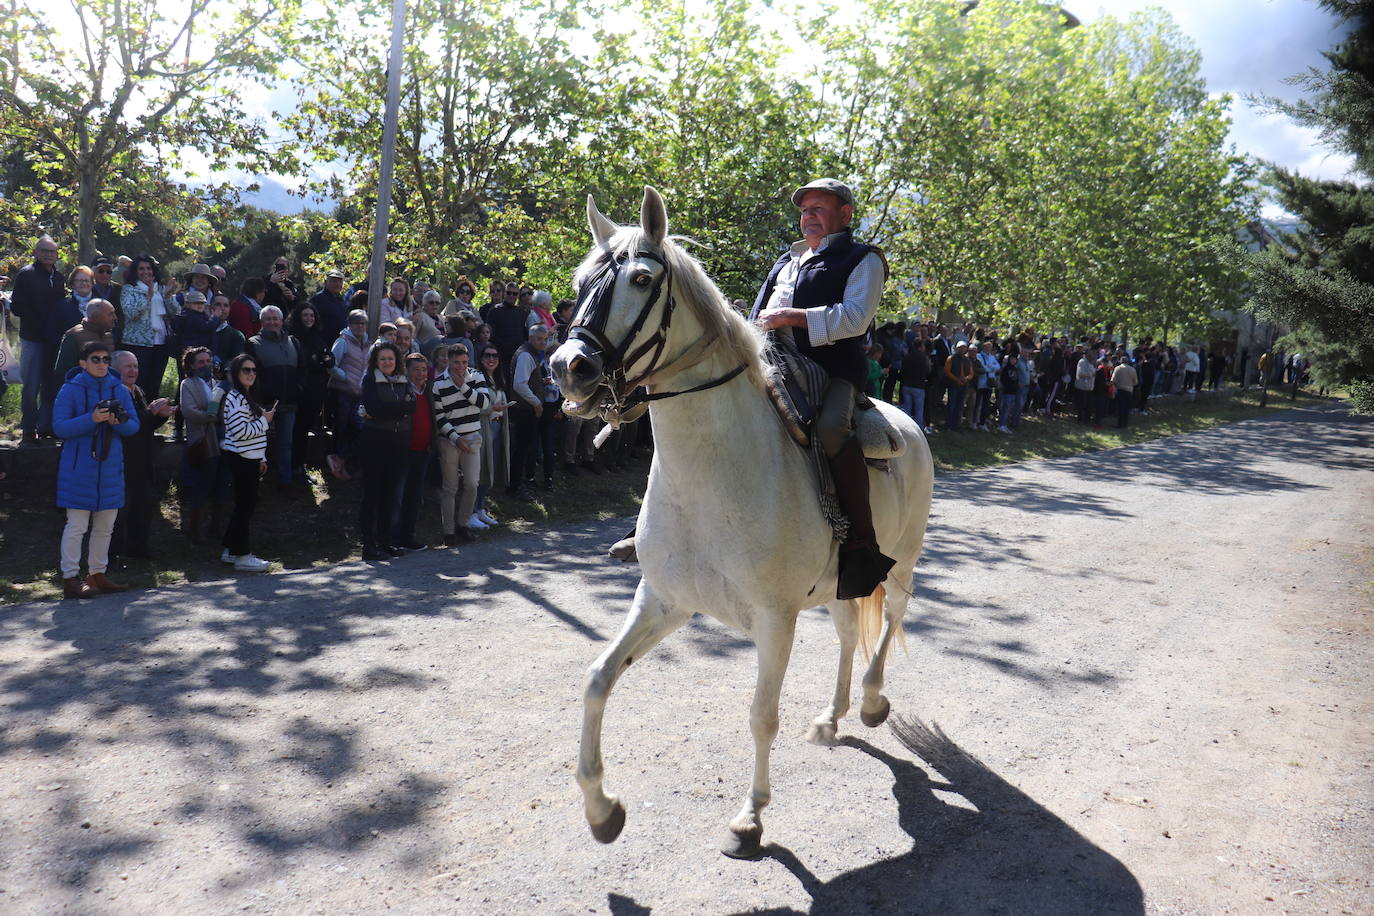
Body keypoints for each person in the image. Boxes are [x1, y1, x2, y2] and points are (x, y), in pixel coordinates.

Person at [751, 178, 894, 598]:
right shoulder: (787, 260)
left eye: (818, 208)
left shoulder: (862, 259)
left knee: (832, 428)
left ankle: (861, 545)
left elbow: (854, 319)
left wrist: (790, 318)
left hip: (832, 371)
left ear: (845, 215)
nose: (808, 215)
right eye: (804, 209)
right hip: (772, 362)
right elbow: (760, 314)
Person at [52, 341, 138, 597]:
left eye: (105, 360)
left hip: (110, 469)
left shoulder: (119, 389)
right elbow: (60, 428)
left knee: (105, 527)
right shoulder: (70, 389)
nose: (102, 364)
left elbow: (133, 426)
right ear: (83, 363)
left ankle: (97, 574)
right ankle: (70, 579)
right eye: (95, 359)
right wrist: (91, 419)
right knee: (76, 526)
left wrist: (117, 421)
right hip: (79, 469)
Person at [109, 350, 173, 559]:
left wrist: (160, 417)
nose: (133, 370)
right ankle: (116, 554)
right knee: (121, 510)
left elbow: (145, 426)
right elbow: (129, 427)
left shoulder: (138, 391)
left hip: (143, 459)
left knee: (143, 506)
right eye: (128, 366)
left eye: (135, 366)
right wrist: (150, 412)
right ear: (116, 369)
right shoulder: (115, 393)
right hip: (124, 459)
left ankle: (138, 550)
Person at [357, 341, 415, 560]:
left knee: (390, 495)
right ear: (376, 361)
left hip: (399, 443)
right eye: (383, 359)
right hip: (374, 442)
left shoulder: (403, 380)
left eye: (390, 358)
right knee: (372, 495)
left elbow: (413, 407)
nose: (387, 362)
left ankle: (385, 541)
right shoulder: (370, 379)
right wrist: (399, 409)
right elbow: (373, 408)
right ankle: (368, 546)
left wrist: (389, 410)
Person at [219, 353, 275, 572]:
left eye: (253, 370)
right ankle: (242, 555)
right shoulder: (235, 398)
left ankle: (231, 550)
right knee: (245, 507)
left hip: (250, 458)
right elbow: (241, 432)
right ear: (236, 373)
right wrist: (265, 421)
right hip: (241, 459)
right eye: (246, 370)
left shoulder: (246, 396)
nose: (251, 374)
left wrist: (261, 457)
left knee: (245, 506)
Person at [431, 342, 491, 544]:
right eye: (456, 362)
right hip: (450, 440)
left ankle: (462, 525)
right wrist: (456, 439)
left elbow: (484, 403)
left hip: (473, 437)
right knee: (450, 488)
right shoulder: (438, 384)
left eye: (464, 362)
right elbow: (440, 418)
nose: (460, 367)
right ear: (448, 361)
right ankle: (448, 532)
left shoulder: (477, 376)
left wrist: (463, 386)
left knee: (472, 484)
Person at [12, 235, 66, 440]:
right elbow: (16, 307)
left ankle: (45, 425)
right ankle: (28, 427)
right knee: (31, 385)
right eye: (44, 250)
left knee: (50, 385)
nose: (48, 254)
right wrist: (39, 318)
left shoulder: (58, 277)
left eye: (52, 251)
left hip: (53, 340)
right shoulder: (26, 275)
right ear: (35, 252)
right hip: (33, 338)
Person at [247, 305, 300, 491]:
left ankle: (285, 481)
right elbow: (250, 376)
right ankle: (254, 483)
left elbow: (300, 370)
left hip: (289, 402)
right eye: (268, 319)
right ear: (262, 322)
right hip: (264, 404)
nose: (272, 322)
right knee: (258, 443)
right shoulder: (253, 343)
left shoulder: (293, 342)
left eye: (275, 318)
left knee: (286, 444)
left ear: (281, 320)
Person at [178, 346, 226, 543]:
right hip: (202, 440)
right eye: (201, 362)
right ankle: (195, 529)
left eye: (208, 361)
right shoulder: (188, 384)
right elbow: (188, 411)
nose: (206, 365)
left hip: (222, 441)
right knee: (202, 484)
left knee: (222, 485)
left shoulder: (218, 383)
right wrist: (210, 417)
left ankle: (216, 526)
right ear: (191, 365)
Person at [507, 324, 558, 499]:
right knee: (521, 450)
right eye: (539, 339)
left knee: (524, 449)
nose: (543, 343)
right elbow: (519, 384)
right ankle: (515, 486)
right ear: (531, 338)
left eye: (545, 339)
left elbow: (526, 381)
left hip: (525, 409)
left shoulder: (529, 353)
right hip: (524, 410)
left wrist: (540, 382)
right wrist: (537, 403)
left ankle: (518, 484)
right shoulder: (526, 355)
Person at [119, 254, 180, 401]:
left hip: (160, 343)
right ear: (135, 271)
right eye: (141, 269)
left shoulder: (160, 289)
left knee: (154, 384)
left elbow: (175, 313)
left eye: (149, 268)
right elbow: (131, 313)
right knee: (140, 384)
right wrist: (148, 296)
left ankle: (151, 418)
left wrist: (167, 296)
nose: (146, 272)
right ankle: (138, 416)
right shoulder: (129, 289)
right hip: (138, 344)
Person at [393, 353, 435, 552]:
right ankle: (391, 538)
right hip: (403, 450)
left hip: (423, 451)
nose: (420, 374)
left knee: (414, 496)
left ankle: (407, 536)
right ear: (407, 371)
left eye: (423, 369)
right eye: (416, 370)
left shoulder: (429, 390)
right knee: (397, 496)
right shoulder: (401, 390)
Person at [289, 303, 334, 482]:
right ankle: (294, 468)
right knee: (297, 432)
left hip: (317, 391)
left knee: (305, 430)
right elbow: (305, 362)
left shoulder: (317, 337)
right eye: (305, 315)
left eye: (312, 315)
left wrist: (321, 360)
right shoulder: (294, 338)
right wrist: (318, 361)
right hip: (301, 392)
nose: (309, 319)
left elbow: (328, 358)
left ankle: (300, 466)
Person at [326, 309, 370, 480]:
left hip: (359, 393)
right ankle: (337, 464)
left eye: (363, 323)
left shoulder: (367, 343)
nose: (360, 326)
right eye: (357, 323)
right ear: (350, 324)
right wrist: (344, 376)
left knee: (358, 428)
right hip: (342, 391)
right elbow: (330, 365)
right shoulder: (342, 341)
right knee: (341, 427)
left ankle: (342, 459)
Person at [474, 344, 507, 526]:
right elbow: (474, 404)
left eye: (495, 356)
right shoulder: (476, 377)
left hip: (496, 428)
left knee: (489, 471)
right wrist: (491, 408)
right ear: (481, 358)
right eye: (487, 355)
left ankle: (480, 508)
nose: (491, 359)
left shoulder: (498, 378)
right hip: (482, 428)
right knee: (478, 471)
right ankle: (471, 511)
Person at [53, 297, 117, 383]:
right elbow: (63, 370)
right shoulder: (74, 336)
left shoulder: (108, 335)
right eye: (110, 314)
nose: (115, 317)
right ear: (96, 317)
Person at [309, 269, 349, 342]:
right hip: (323, 342)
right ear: (326, 282)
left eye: (340, 281)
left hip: (340, 342)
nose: (337, 284)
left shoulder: (342, 300)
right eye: (334, 281)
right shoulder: (317, 300)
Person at [209, 292, 246, 370]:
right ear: (210, 308)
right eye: (218, 304)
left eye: (226, 305)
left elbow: (237, 363)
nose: (222, 308)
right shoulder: (201, 329)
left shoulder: (236, 335)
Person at [899, 338, 930, 431]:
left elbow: (902, 369)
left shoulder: (907, 356)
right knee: (918, 411)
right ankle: (917, 430)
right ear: (921, 346)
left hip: (907, 385)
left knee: (907, 409)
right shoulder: (923, 357)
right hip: (919, 386)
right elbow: (927, 370)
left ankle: (906, 428)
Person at [90, 256, 123, 343]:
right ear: (93, 272)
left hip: (116, 337)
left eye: (108, 271)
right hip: (93, 336)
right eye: (101, 271)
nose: (105, 274)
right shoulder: (88, 290)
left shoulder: (118, 289)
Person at [943, 340, 973, 431]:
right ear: (957, 348)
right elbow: (947, 371)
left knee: (960, 406)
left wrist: (967, 378)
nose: (962, 350)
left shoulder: (967, 360)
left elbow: (971, 373)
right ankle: (948, 425)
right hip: (953, 385)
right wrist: (956, 380)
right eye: (960, 348)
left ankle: (956, 425)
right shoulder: (951, 358)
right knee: (951, 405)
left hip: (963, 386)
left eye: (964, 348)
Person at [1110, 355, 1137, 428]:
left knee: (1120, 408)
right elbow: (1135, 382)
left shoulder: (1117, 368)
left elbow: (1113, 380)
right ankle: (1125, 424)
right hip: (1129, 391)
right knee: (1126, 408)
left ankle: (1120, 424)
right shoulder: (1132, 369)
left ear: (1121, 361)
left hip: (1120, 390)